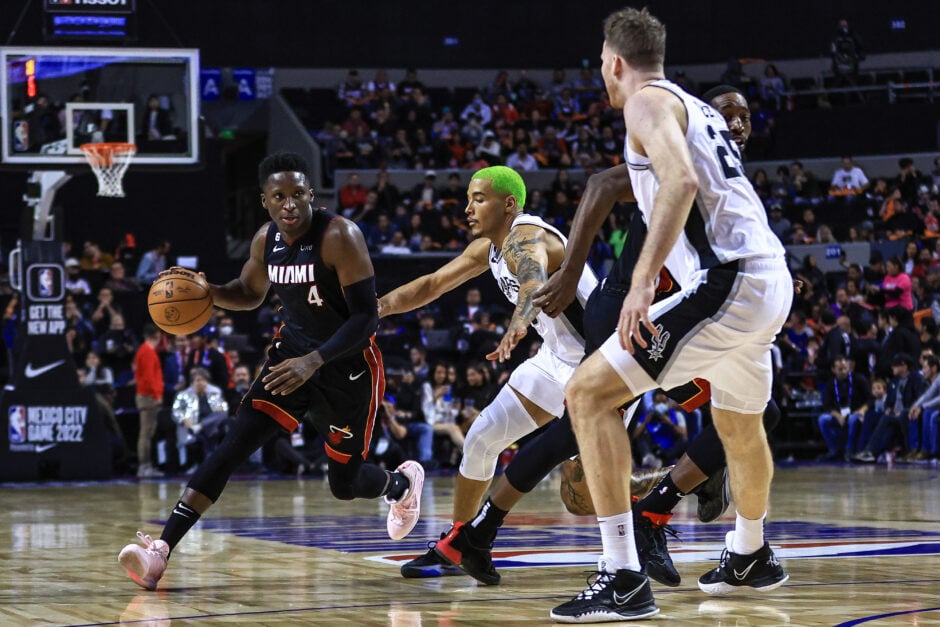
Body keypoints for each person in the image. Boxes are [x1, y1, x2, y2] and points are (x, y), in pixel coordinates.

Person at [421, 83, 775, 590]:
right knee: (578, 429)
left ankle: (664, 512)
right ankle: (493, 532)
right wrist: (568, 276)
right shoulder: (673, 160)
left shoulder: (731, 183)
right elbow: (601, 186)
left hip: (686, 316)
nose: (734, 125)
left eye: (743, 117)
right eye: (724, 116)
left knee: (753, 416)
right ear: (701, 122)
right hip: (633, 309)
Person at [548, 9, 792, 621]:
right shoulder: (697, 107)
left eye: (602, 64)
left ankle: (623, 576)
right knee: (738, 423)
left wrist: (637, 286)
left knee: (586, 395)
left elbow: (680, 182)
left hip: (728, 281)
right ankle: (751, 552)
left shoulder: (646, 104)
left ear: (614, 62)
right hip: (768, 279)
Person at [118, 152, 424, 591]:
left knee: (344, 483)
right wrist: (208, 292)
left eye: (298, 193)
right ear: (265, 201)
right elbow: (248, 292)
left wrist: (314, 361)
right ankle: (160, 553)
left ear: (311, 195)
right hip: (289, 359)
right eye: (279, 196)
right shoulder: (266, 241)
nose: (290, 203)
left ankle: (399, 484)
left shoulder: (340, 235)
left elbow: (365, 319)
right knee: (229, 448)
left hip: (346, 368)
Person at [379, 165, 599, 585]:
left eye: (479, 198)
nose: (468, 208)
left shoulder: (527, 235)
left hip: (599, 369)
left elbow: (533, 279)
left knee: (582, 499)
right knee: (481, 437)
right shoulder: (489, 249)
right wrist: (378, 308)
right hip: (555, 360)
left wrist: (519, 321)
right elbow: (432, 284)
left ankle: (665, 492)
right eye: (468, 198)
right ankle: (458, 542)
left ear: (509, 204)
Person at [133, 324, 165, 478]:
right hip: (148, 397)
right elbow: (149, 377)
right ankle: (144, 466)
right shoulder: (147, 352)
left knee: (147, 432)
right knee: (146, 433)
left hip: (146, 395)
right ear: (157, 336)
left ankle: (145, 466)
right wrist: (157, 394)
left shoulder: (143, 350)